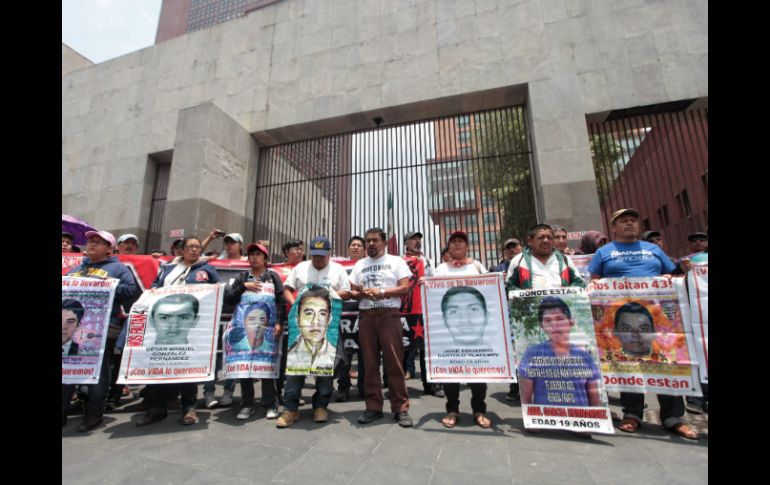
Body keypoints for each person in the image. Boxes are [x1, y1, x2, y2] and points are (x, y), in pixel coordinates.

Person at [588, 208, 698, 440]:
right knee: (626, 363)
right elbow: (594, 283)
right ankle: (633, 414)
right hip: (620, 320)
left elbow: (673, 275)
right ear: (614, 227)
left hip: (656, 321)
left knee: (666, 362)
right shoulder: (603, 253)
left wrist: (677, 275)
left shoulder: (654, 250)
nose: (630, 224)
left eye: (633, 221)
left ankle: (673, 417)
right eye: (624, 221)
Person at [136, 236, 221, 427]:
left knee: (187, 367)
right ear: (182, 250)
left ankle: (189, 408)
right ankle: (157, 409)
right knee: (160, 366)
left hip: (190, 329)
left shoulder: (207, 270)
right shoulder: (168, 269)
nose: (194, 250)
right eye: (190, 246)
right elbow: (154, 289)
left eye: (197, 247)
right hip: (164, 326)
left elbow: (219, 292)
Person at [63, 230, 142, 431]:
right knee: (68, 368)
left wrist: (107, 286)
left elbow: (131, 293)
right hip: (73, 330)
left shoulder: (118, 269)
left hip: (104, 328)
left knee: (99, 370)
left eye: (98, 242)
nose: (92, 244)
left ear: (109, 249)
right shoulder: (75, 271)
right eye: (90, 241)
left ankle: (94, 413)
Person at [506, 224, 585, 403]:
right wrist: (526, 298)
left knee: (563, 364)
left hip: (559, 321)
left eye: (550, 237)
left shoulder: (564, 260)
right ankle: (537, 407)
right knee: (534, 365)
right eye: (541, 237)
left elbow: (579, 284)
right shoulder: (518, 261)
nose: (547, 240)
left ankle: (570, 405)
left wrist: (566, 294)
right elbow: (509, 288)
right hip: (532, 323)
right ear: (530, 241)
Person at [278, 236, 351, 428]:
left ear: (329, 254)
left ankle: (321, 406)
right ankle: (290, 409)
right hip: (300, 326)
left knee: (324, 368)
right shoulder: (300, 268)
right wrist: (295, 305)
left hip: (328, 328)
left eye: (322, 256)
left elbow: (347, 292)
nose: (318, 260)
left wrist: (329, 293)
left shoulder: (338, 270)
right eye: (315, 256)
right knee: (295, 367)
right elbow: (286, 289)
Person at [349, 228, 413, 427]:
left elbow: (405, 288)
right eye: (368, 240)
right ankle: (373, 407)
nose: (370, 244)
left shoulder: (396, 262)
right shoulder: (360, 264)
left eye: (375, 240)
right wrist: (362, 292)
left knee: (394, 363)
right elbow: (352, 290)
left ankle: (401, 408)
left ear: (384, 243)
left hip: (389, 315)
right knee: (369, 364)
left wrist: (382, 292)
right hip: (367, 316)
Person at [433, 231, 492, 428]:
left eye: (461, 242)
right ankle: (452, 410)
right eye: (453, 242)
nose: (457, 245)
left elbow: (491, 291)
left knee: (478, 373)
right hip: (451, 334)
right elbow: (432, 296)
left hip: (476, 334)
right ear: (448, 247)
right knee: (451, 372)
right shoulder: (440, 269)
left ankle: (479, 410)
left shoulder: (477, 266)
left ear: (466, 246)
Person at [223, 242, 286, 421]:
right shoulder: (242, 277)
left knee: (267, 367)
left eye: (258, 254)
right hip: (244, 331)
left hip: (267, 331)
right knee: (245, 369)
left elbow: (280, 301)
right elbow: (229, 299)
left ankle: (270, 404)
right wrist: (244, 286)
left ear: (265, 259)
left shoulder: (273, 277)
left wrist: (279, 323)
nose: (254, 257)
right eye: (251, 255)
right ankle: (247, 404)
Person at [518, 296, 601, 407]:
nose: (554, 325)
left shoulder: (585, 357)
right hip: (545, 422)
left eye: (559, 319)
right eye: (548, 321)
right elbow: (526, 399)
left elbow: (595, 400)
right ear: (541, 326)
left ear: (571, 322)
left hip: (581, 421)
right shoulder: (533, 353)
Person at [400, 231, 443, 397]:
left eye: (419, 239)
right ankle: (399, 385)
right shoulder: (401, 262)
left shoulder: (428, 261)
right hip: (405, 311)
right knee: (402, 348)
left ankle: (430, 385)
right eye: (413, 239)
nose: (417, 241)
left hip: (425, 310)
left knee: (427, 350)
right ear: (406, 244)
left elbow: (437, 280)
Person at [334, 236, 366, 402]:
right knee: (344, 353)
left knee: (364, 352)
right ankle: (343, 387)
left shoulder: (369, 265)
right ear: (348, 249)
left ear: (364, 249)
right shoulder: (338, 265)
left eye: (359, 245)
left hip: (363, 312)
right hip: (343, 312)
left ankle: (364, 387)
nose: (355, 247)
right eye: (352, 244)